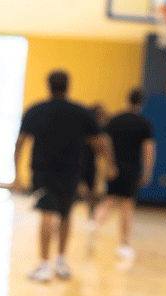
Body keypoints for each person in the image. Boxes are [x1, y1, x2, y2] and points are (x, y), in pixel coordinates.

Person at [12, 70, 117, 283]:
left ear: (48, 85)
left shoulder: (36, 110)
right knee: (65, 214)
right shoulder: (81, 112)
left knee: (46, 215)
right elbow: (100, 143)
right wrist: (110, 164)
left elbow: (20, 143)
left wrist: (16, 175)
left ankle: (43, 264)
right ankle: (60, 260)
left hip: (43, 172)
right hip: (71, 173)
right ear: (68, 86)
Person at [90, 89, 156, 259]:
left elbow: (103, 143)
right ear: (142, 102)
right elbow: (149, 151)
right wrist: (147, 173)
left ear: (126, 99)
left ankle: (92, 228)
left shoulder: (114, 120)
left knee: (110, 200)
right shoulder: (144, 124)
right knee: (127, 205)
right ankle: (124, 243)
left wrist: (109, 165)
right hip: (132, 169)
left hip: (114, 167)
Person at [79, 103, 108, 222]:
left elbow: (100, 148)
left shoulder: (101, 129)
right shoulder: (87, 127)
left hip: (91, 163)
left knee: (92, 191)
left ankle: (91, 214)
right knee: (82, 190)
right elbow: (98, 146)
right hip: (79, 162)